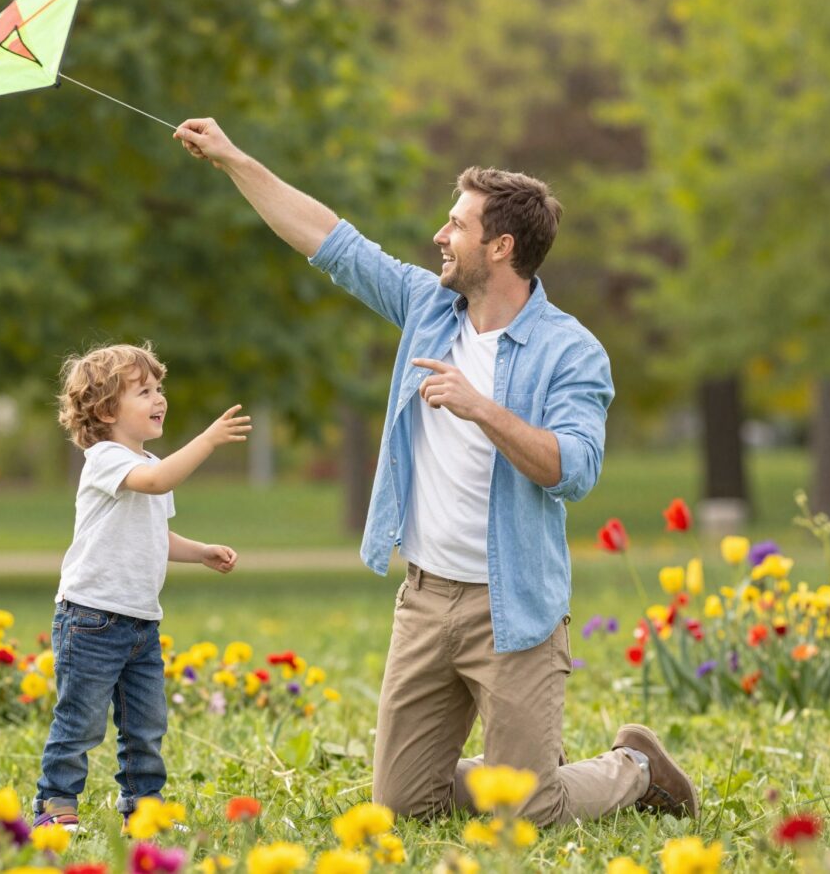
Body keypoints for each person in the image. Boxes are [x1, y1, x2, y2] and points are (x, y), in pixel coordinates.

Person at [173, 118, 698, 825]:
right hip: (424, 600)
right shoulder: (428, 307)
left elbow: (572, 470)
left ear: (500, 246)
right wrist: (234, 159)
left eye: (456, 225)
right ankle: (525, 768)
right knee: (401, 804)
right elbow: (330, 240)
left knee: (526, 814)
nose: (438, 236)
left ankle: (633, 767)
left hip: (512, 609)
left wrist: (481, 408)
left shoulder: (571, 352)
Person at [33, 343, 251, 831]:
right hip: (90, 618)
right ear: (108, 410)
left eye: (159, 388)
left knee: (146, 726)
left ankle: (143, 807)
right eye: (144, 391)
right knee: (80, 722)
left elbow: (155, 531)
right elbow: (153, 482)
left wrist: (201, 551)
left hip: (141, 622)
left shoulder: (149, 463)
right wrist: (208, 440)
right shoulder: (106, 458)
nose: (160, 399)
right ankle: (56, 807)